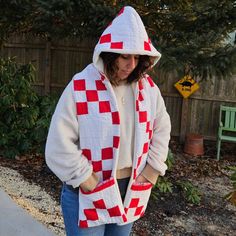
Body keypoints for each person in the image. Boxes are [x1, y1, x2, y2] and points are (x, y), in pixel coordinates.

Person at [45, 6, 171, 236]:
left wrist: (151, 171)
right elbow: (58, 143)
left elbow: (162, 129)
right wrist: (86, 179)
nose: (131, 64)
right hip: (87, 190)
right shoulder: (81, 86)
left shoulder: (148, 89)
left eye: (137, 57)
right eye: (125, 56)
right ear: (110, 52)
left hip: (130, 189)